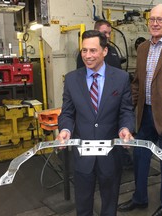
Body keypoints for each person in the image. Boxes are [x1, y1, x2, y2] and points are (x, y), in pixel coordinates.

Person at [118, 4, 162, 216]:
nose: (155, 23)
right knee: (140, 157)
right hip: (144, 113)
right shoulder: (142, 49)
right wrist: (128, 107)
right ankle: (139, 198)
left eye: (161, 19)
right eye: (152, 19)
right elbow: (137, 82)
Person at [57, 30, 135, 216]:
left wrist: (125, 128)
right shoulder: (71, 79)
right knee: (83, 204)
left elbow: (126, 111)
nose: (88, 56)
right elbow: (67, 112)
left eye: (93, 50)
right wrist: (66, 129)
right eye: (84, 51)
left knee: (110, 203)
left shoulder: (121, 78)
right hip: (83, 154)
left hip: (110, 153)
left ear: (105, 51)